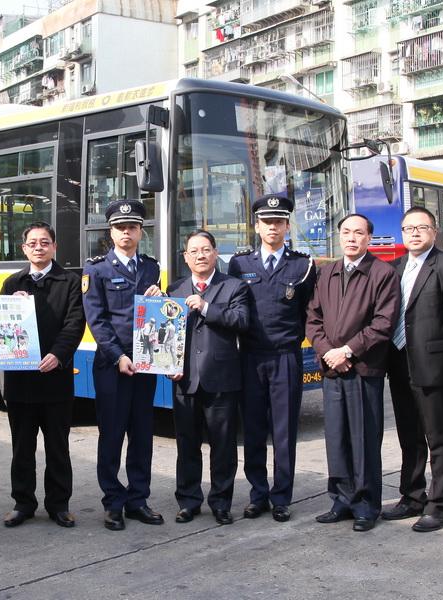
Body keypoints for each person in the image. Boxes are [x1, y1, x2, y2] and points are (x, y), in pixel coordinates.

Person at [381, 207, 443, 532]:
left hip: (433, 365)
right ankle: (412, 496)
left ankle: (439, 505)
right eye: (409, 228)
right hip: (398, 363)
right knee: (409, 436)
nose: (415, 233)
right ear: (402, 234)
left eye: (422, 228)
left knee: (438, 438)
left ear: (434, 232)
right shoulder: (394, 268)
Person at [305, 214, 400, 532]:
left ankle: (366, 505)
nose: (351, 238)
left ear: (369, 238)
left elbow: (383, 323)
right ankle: (341, 500)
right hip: (333, 370)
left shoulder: (383, 273)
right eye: (346, 232)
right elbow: (313, 318)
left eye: (358, 233)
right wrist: (328, 353)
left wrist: (347, 351)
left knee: (364, 439)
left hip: (363, 369)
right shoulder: (327, 272)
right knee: (336, 438)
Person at [228, 194, 315, 523]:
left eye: (278, 222)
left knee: (284, 431)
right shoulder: (240, 265)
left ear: (287, 227)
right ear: (257, 227)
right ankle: (258, 494)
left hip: (285, 357)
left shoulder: (302, 266)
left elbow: (309, 313)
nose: (273, 227)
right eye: (267, 222)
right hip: (250, 357)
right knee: (252, 429)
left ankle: (281, 497)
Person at [82, 199, 165, 531]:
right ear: (111, 232)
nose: (126, 233)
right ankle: (113, 502)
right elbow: (97, 320)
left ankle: (138, 499)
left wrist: (161, 301)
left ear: (141, 232)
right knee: (112, 434)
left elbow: (156, 315)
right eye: (120, 228)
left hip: (146, 360)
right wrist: (118, 356)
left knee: (142, 434)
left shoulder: (151, 268)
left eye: (132, 227)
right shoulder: (97, 269)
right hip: (111, 364)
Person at [0, 222, 85, 529]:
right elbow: (2, 327)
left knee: (58, 448)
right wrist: (11, 307)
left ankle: (59, 505)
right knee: (21, 448)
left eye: (45, 242)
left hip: (56, 379)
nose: (39, 247)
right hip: (20, 381)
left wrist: (58, 355)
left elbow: (75, 323)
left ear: (54, 247)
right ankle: (23, 503)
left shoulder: (70, 281)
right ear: (24, 249)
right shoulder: (12, 282)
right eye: (33, 243)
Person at [167, 230, 249, 525]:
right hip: (184, 379)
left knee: (223, 446)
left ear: (215, 253)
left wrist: (206, 308)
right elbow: (166, 335)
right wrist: (167, 364)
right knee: (186, 444)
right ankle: (188, 501)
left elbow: (242, 321)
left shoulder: (234, 286)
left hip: (221, 378)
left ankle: (221, 503)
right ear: (186, 257)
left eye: (205, 250)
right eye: (194, 251)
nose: (200, 256)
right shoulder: (174, 290)